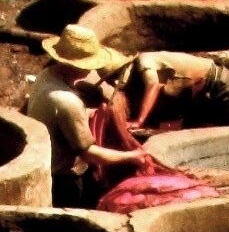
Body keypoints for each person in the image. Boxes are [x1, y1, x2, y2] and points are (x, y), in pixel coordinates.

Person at [28, 25, 144, 204]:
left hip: (44, 164)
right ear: (75, 65)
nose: (92, 70)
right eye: (90, 64)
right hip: (63, 179)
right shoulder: (67, 101)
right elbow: (89, 154)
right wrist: (131, 156)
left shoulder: (45, 75)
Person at [122, 48, 229, 137]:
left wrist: (139, 121)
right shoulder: (152, 69)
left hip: (224, 85)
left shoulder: (144, 60)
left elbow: (152, 85)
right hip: (207, 89)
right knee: (192, 130)